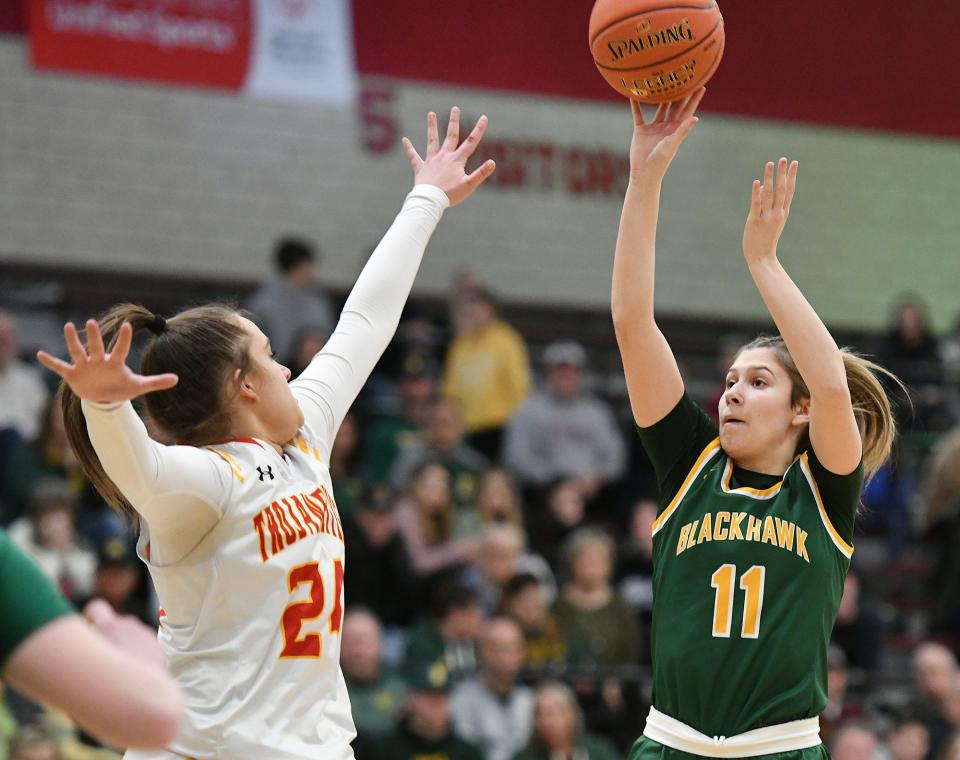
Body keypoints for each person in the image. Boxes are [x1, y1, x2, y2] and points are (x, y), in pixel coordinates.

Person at [36, 107, 496, 760]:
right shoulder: (205, 485)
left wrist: (426, 199)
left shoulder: (305, 433)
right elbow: (139, 470)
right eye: (271, 355)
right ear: (243, 385)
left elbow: (365, 321)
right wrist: (106, 410)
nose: (288, 367)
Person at [610, 88, 899, 760]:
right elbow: (632, 323)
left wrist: (764, 262)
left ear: (799, 411)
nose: (734, 394)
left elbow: (830, 382)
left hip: (781, 748)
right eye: (732, 382)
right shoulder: (691, 467)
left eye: (759, 382)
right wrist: (644, 176)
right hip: (669, 744)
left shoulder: (825, 493)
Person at [0, 529, 182, 750]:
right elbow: (155, 713)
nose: (114, 579)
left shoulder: (141, 614)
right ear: (96, 573)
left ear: (133, 577)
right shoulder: (76, 607)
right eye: (108, 571)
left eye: (120, 572)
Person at [503, 340, 626, 516]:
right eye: (560, 372)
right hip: (541, 496)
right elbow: (516, 457)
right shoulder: (529, 411)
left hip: (592, 498)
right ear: (548, 375)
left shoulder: (597, 412)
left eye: (571, 372)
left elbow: (615, 457)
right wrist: (555, 482)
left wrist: (597, 477)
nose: (566, 377)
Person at [441, 286, 531, 460]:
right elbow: (450, 387)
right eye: (470, 308)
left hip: (497, 426)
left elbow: (519, 386)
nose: (474, 312)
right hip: (465, 427)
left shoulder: (506, 341)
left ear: (492, 310)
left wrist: (516, 421)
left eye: (479, 307)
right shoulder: (461, 343)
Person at [450, 617, 534, 760]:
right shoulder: (461, 699)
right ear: (482, 651)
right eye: (499, 648)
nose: (508, 656)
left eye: (514, 648)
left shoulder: (529, 699)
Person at [245, 237, 336, 365]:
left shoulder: (318, 301)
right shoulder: (264, 303)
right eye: (309, 266)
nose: (312, 272)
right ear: (298, 266)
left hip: (314, 366)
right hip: (276, 366)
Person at [369, 661, 483, 760]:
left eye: (442, 696)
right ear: (411, 699)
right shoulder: (385, 750)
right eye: (429, 696)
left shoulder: (467, 752)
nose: (437, 704)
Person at [341, 609, 408, 743]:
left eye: (363, 642)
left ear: (380, 645)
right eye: (349, 642)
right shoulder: (328, 690)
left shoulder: (402, 689)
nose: (357, 652)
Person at [512, 681, 620, 760]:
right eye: (541, 714)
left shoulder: (600, 751)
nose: (549, 722)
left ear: (573, 715)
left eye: (556, 712)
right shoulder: (524, 757)